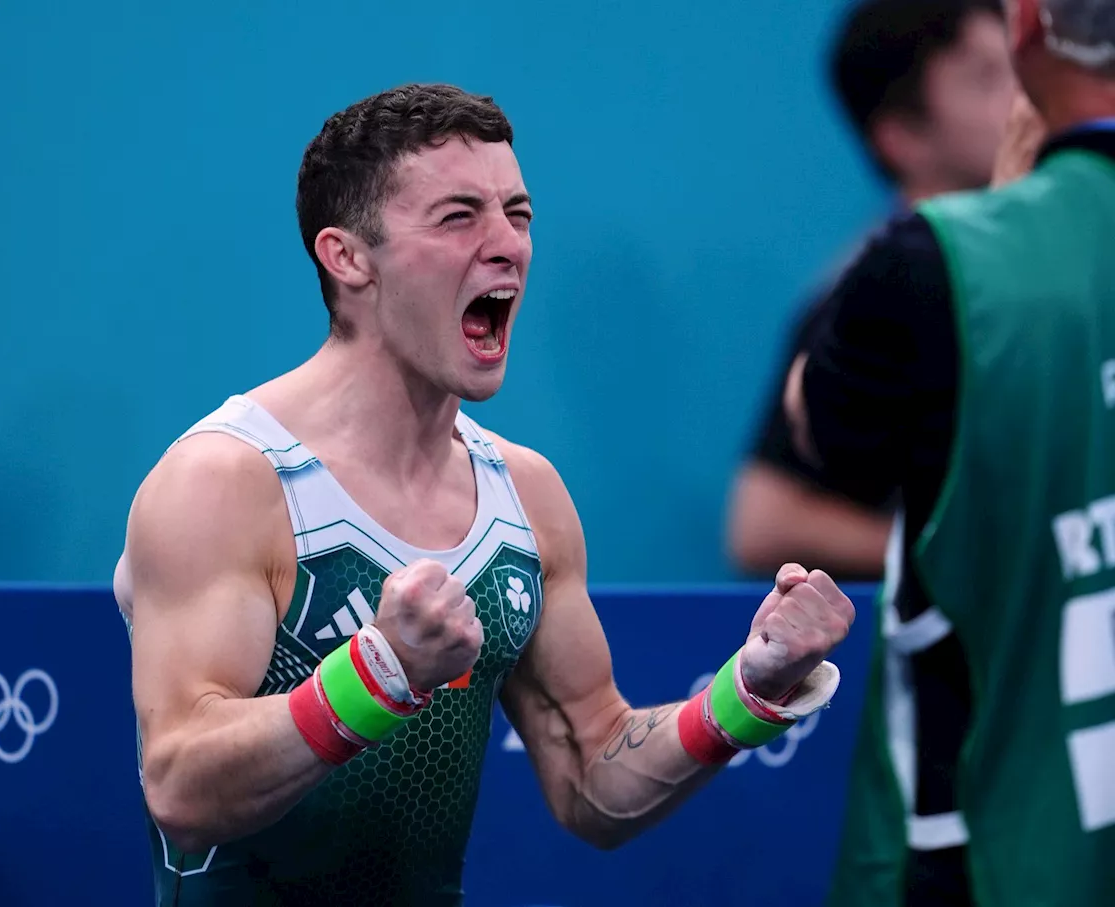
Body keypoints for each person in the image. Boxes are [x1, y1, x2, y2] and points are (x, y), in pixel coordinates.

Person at [113, 83, 855, 906]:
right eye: (459, 216)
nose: (508, 245)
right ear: (347, 256)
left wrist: (749, 690)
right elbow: (180, 786)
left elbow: (593, 773)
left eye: (519, 213)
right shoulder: (225, 481)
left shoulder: (525, 496)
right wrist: (378, 674)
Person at [785, 0, 1115, 903]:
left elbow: (826, 431)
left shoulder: (933, 270)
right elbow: (768, 509)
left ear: (1030, 26)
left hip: (1005, 833)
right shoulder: (898, 277)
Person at [727, 0, 1015, 580]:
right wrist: (955, 554)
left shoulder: (1040, 270)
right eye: (986, 79)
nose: (1021, 100)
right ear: (901, 136)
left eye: (1017, 68)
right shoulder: (876, 293)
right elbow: (761, 524)